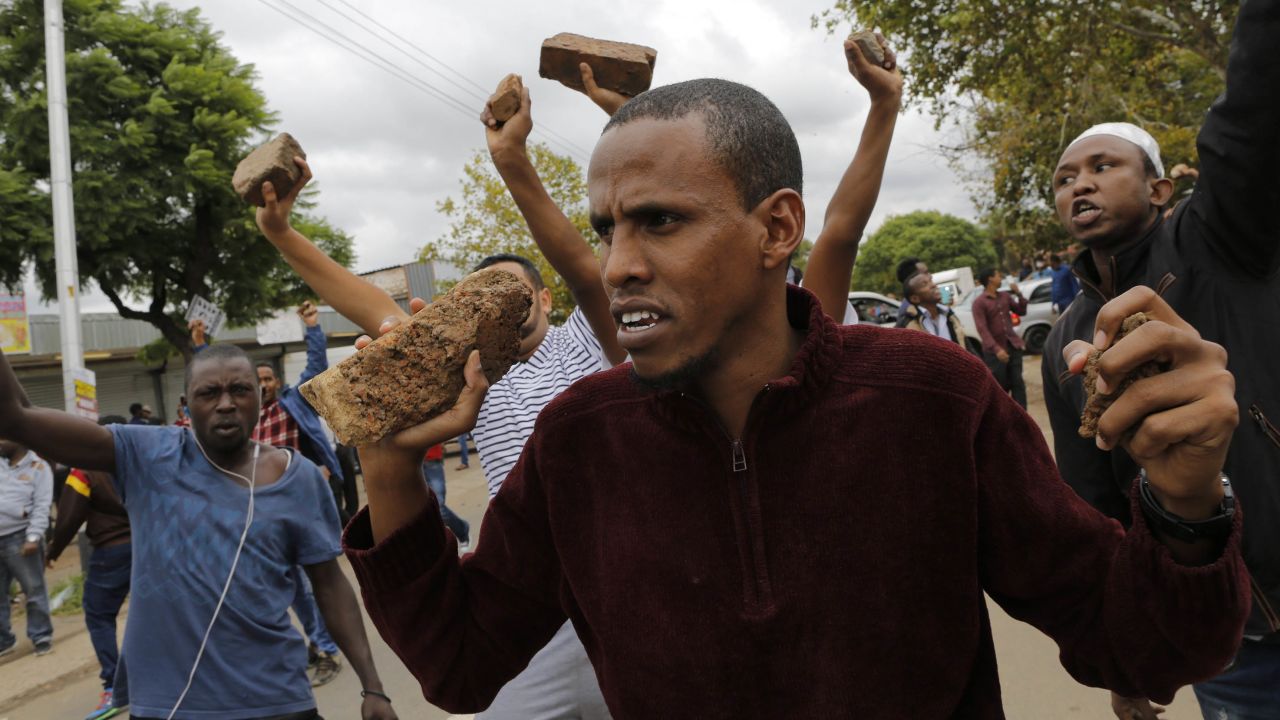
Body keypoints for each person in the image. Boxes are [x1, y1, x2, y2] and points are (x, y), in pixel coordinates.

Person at [333, 77, 1250, 718]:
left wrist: (1184, 504)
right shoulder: (579, 443)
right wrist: (393, 475)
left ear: (778, 228)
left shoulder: (934, 402)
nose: (617, 266)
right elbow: (460, 667)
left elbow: (1142, 647)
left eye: (660, 220)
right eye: (608, 228)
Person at [1041, 2, 1280, 717]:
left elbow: (1252, 115)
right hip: (1231, 645)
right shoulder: (1065, 344)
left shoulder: (1221, 238)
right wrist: (1128, 661)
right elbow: (1097, 512)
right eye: (1063, 177)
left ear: (1159, 189)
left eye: (1102, 165)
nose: (1079, 183)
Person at [0, 343, 397, 719]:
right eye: (209, 393)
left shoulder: (301, 480)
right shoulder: (146, 453)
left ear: (260, 398)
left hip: (277, 699)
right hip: (166, 704)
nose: (226, 403)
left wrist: (373, 686)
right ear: (187, 405)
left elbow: (330, 585)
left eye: (240, 390)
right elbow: (16, 416)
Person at [793, 33, 902, 325]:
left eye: (666, 220)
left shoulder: (799, 332)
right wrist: (886, 102)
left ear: (780, 228)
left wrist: (886, 102)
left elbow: (842, 233)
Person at [46, 421, 133, 719]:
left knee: (98, 615)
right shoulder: (137, 461)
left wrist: (53, 550)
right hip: (147, 546)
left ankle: (114, 687)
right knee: (156, 610)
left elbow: (70, 515)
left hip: (110, 552)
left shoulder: (85, 470)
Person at [0, 440, 53, 658]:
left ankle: (41, 636)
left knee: (33, 590)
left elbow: (42, 505)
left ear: (18, 439)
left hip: (21, 537)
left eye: (3, 438)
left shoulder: (38, 467)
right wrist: (18, 509)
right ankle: (3, 640)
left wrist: (33, 536)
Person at [972, 267, 1028, 408]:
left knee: (1018, 385)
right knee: (1000, 388)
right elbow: (982, 329)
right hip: (994, 353)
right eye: (997, 275)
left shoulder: (1005, 296)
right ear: (990, 279)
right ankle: (1005, 421)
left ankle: (1023, 419)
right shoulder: (979, 303)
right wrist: (997, 350)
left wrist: (1018, 293)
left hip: (1013, 346)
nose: (1000, 277)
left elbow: (1021, 311)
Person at [896, 272, 965, 347]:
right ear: (915, 298)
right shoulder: (907, 323)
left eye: (931, 281)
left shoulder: (949, 315)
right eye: (924, 284)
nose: (933, 285)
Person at [422, 443, 469, 549]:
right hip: (411, 462)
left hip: (431, 460)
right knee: (422, 510)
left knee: (439, 507)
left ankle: (462, 529)